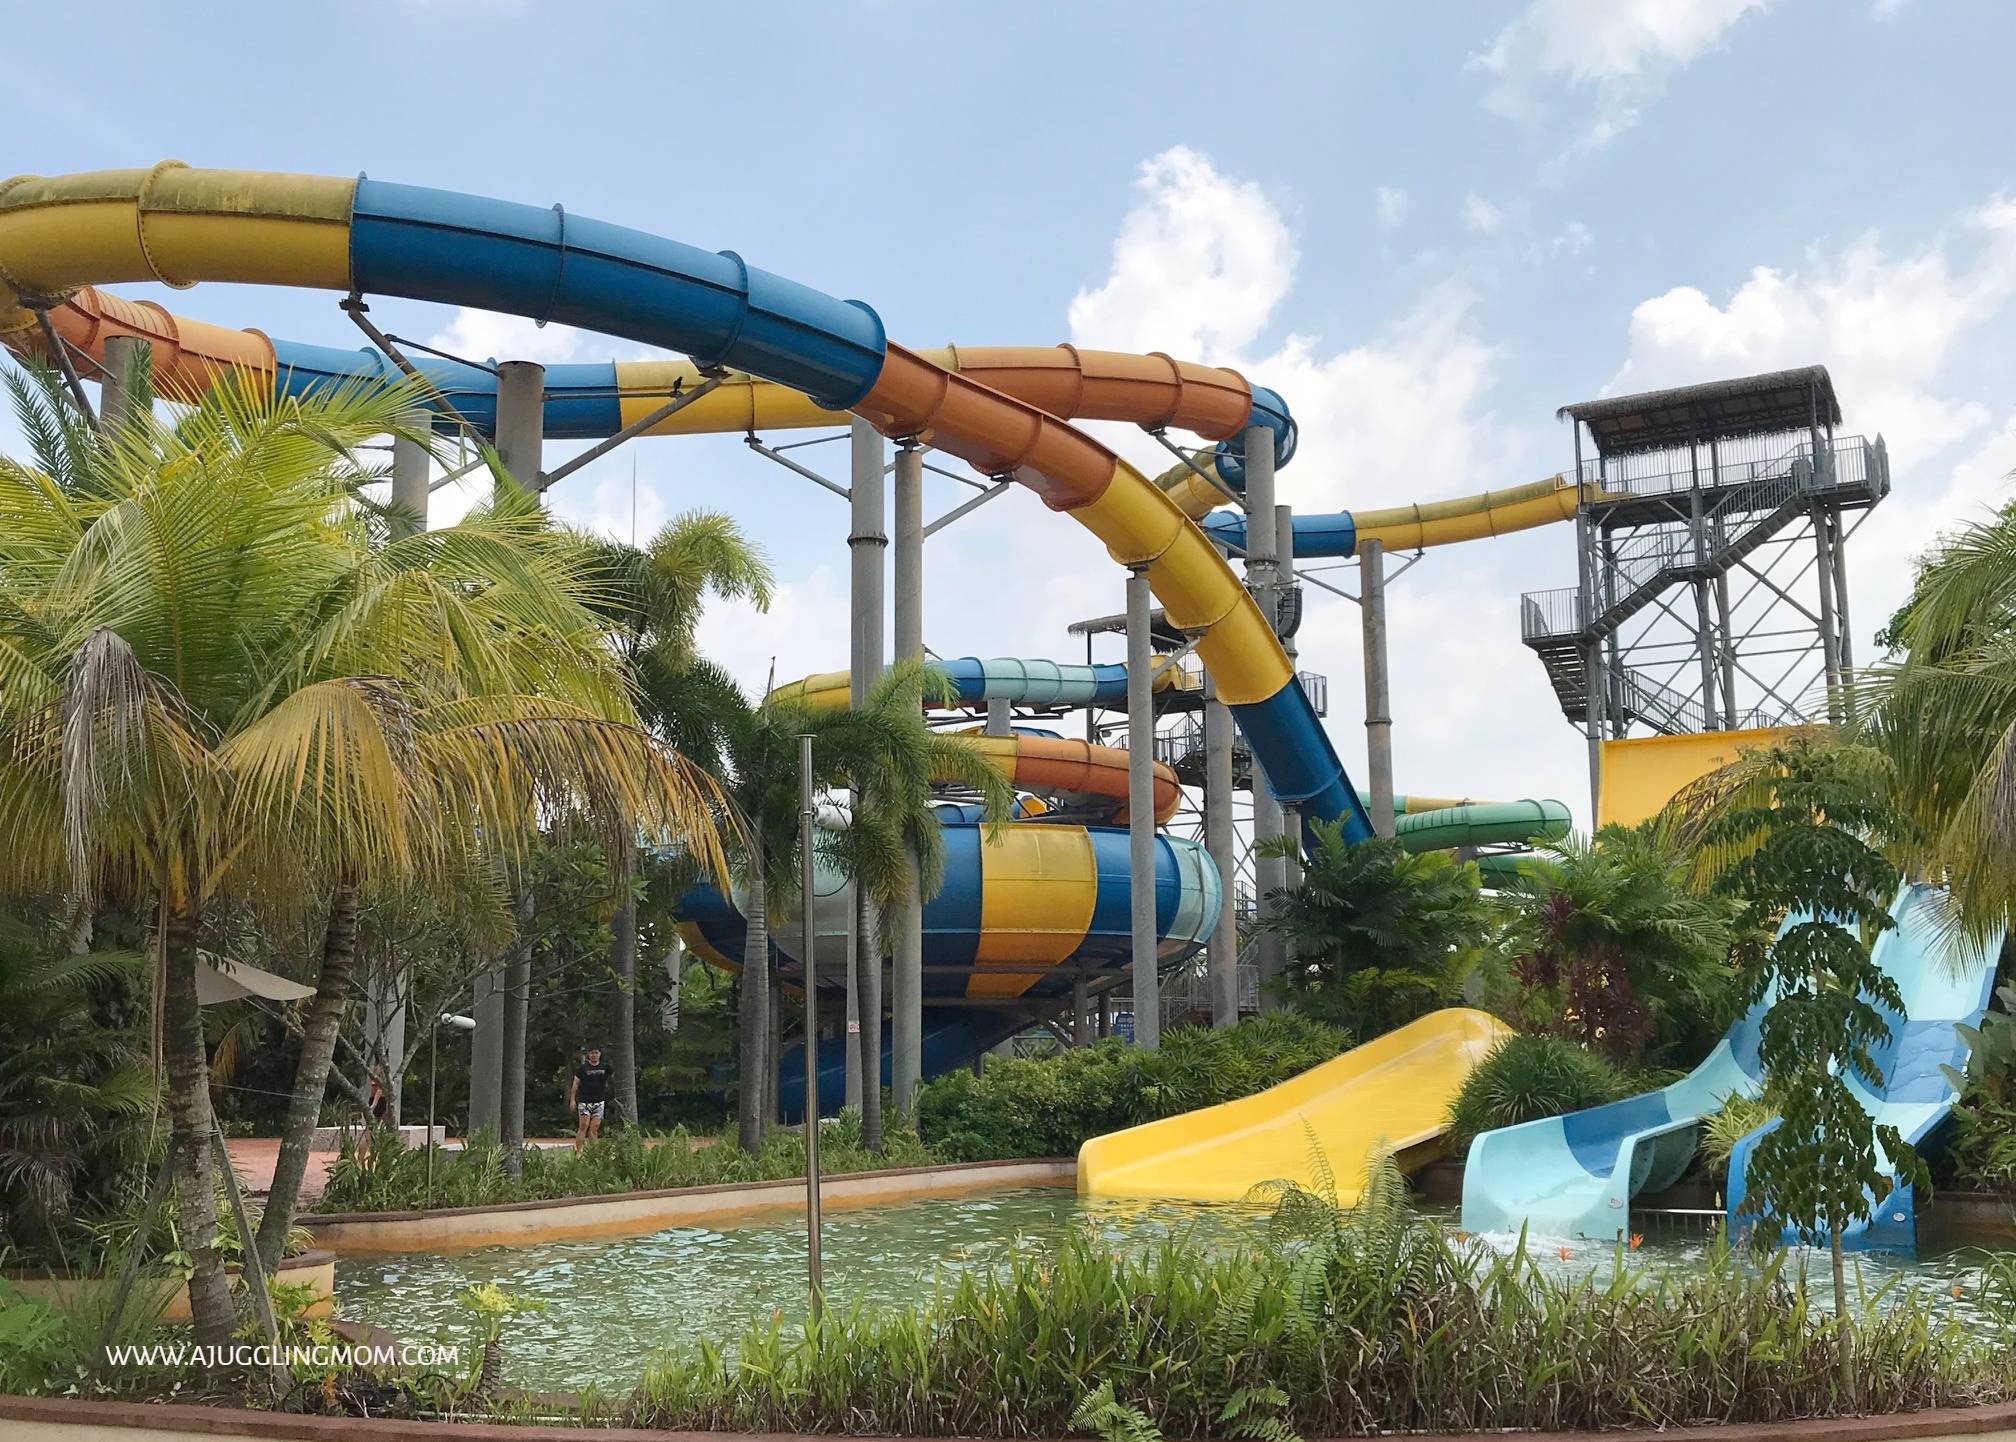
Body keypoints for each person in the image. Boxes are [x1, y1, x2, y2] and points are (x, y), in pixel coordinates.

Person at [568, 1047, 613, 1151]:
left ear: (600, 1054)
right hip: (585, 1101)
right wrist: (572, 1099)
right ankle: (579, 1152)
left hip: (599, 1101)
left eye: (596, 1053)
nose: (594, 1055)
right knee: (583, 1126)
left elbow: (612, 1078)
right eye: (592, 1053)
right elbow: (575, 1083)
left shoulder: (605, 1067)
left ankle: (593, 1152)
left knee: (594, 1128)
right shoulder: (583, 1068)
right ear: (588, 1054)